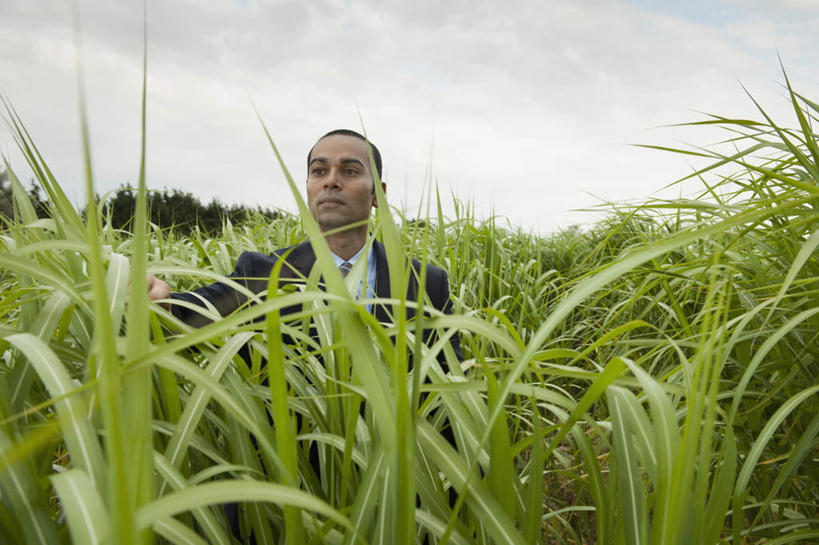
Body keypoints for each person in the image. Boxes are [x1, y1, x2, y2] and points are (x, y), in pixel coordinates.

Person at [147, 129, 462, 361]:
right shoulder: (260, 272)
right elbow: (193, 317)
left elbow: (447, 384)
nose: (331, 181)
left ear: (377, 194)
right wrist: (162, 303)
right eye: (319, 171)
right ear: (308, 188)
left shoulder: (427, 283)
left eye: (350, 171)